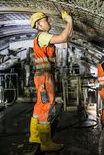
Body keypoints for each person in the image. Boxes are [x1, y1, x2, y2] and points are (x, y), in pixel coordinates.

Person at [29, 11, 73, 152]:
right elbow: (64, 36)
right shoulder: (42, 36)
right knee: (46, 106)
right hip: (45, 77)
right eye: (46, 20)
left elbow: (67, 37)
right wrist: (69, 20)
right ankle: (46, 143)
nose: (49, 21)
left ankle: (35, 136)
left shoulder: (41, 37)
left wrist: (70, 25)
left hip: (42, 75)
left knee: (39, 105)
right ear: (39, 24)